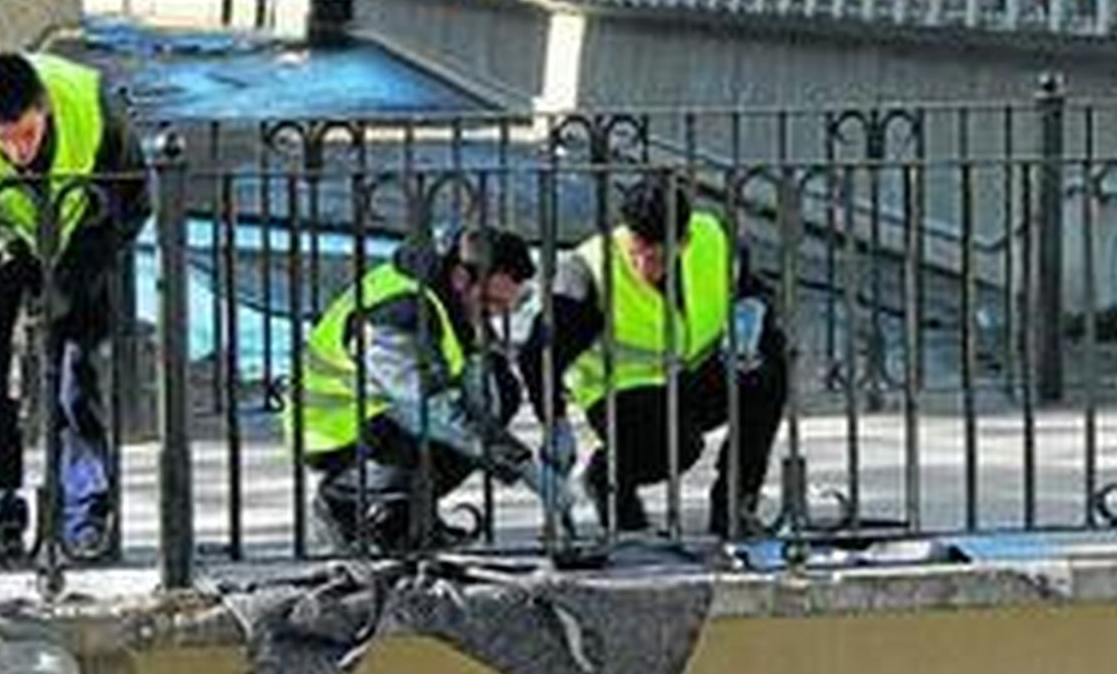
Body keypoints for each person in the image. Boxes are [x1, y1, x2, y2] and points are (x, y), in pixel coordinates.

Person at [0, 51, 151, 564]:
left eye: (27, 135)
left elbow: (135, 202)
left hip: (82, 243)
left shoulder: (94, 107)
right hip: (3, 245)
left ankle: (84, 517)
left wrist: (78, 274)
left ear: (45, 110)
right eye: (5, 139)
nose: (18, 151)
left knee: (76, 380)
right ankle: (0, 512)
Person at [519, 177, 786, 538]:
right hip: (624, 391)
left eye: (659, 256)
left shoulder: (712, 239)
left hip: (693, 373)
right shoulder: (588, 271)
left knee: (768, 369)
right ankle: (607, 478)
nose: (646, 264)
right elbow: (538, 353)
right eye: (638, 249)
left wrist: (752, 310)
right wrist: (555, 420)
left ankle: (736, 507)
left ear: (684, 241)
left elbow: (753, 289)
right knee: (679, 447)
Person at [290, 227, 564, 552]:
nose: (494, 314)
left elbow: (477, 382)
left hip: (385, 413)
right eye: (490, 302)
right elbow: (426, 408)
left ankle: (407, 521)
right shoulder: (399, 311)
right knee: (452, 429)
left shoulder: (446, 295)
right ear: (462, 278)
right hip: (335, 428)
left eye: (506, 307)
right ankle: (344, 503)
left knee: (498, 391)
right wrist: (525, 467)